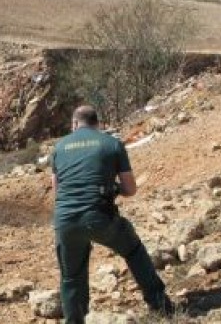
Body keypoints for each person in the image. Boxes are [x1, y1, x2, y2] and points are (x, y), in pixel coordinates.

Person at [51, 105, 174, 323]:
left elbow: (57, 191)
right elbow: (130, 190)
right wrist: (113, 187)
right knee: (133, 250)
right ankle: (160, 305)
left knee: (71, 277)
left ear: (74, 124)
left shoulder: (59, 148)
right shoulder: (111, 144)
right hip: (99, 216)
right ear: (97, 123)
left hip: (64, 220)